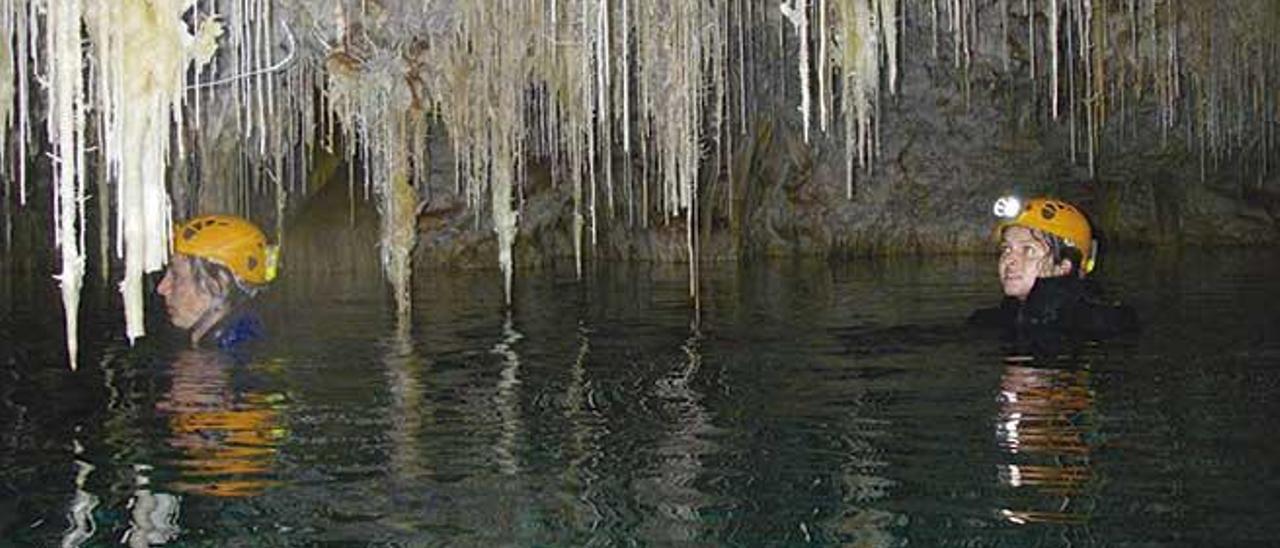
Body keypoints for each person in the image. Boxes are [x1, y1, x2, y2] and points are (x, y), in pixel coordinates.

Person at [969, 196, 1137, 347]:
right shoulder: (990, 320)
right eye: (1006, 249)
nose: (1009, 260)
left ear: (1064, 266)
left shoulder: (1107, 321)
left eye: (1028, 250)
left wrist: (1047, 293)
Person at [157, 214, 278, 351]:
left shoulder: (235, 356)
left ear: (218, 283)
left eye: (176, 276)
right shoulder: (236, 341)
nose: (161, 288)